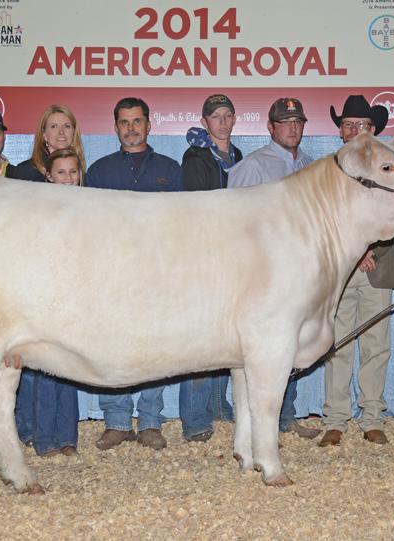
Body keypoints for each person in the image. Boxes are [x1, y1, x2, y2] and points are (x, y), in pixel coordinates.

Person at [86, 97, 183, 451]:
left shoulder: (170, 169)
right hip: (112, 272)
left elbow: (180, 223)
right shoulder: (99, 171)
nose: (131, 128)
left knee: (156, 346)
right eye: (124, 122)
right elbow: (89, 226)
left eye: (137, 121)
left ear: (148, 124)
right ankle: (116, 421)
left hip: (158, 272)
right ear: (115, 127)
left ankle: (151, 422)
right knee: (112, 346)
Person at [227, 97, 321, 440]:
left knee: (291, 343)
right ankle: (256, 419)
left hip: (303, 271)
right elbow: (232, 219)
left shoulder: (312, 167)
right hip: (262, 273)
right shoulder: (252, 166)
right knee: (263, 346)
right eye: (285, 122)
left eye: (298, 122)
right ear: (271, 127)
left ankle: (285, 415)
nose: (293, 128)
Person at [319, 95, 394, 447]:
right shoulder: (327, 171)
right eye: (348, 125)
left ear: (373, 130)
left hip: (376, 267)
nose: (354, 131)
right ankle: (335, 418)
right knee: (335, 345)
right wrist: (354, 252)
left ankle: (372, 417)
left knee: (376, 344)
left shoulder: (389, 168)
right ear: (340, 131)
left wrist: (369, 248)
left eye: (361, 125)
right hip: (340, 270)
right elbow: (323, 219)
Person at [178, 94, 242, 442]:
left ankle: (218, 405)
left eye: (227, 115)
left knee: (226, 334)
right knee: (201, 336)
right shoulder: (196, 157)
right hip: (204, 254)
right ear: (204, 122)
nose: (222, 122)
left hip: (232, 255)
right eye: (215, 116)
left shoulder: (238, 157)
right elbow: (195, 209)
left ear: (234, 119)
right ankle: (194, 418)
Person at [13, 148, 85, 457]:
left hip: (74, 295)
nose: (68, 178)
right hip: (43, 295)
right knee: (45, 367)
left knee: (70, 366)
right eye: (61, 172)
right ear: (49, 177)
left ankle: (67, 437)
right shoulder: (37, 211)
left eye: (73, 172)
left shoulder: (88, 210)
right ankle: (44, 439)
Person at [14, 104, 86, 182]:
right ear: (44, 134)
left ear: (74, 133)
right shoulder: (25, 172)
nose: (61, 131)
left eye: (67, 126)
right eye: (54, 126)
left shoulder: (81, 173)